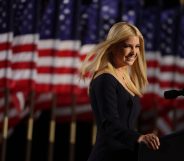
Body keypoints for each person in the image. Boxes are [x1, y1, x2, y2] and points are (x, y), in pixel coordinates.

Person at [80, 22, 160, 161]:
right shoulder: (105, 78)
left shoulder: (126, 78)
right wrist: (139, 137)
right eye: (127, 46)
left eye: (137, 47)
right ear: (112, 47)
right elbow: (110, 124)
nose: (134, 52)